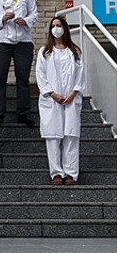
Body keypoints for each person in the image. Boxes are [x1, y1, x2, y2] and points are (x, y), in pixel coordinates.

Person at [37, 17, 86, 185]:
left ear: (65, 28)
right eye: (53, 26)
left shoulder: (75, 51)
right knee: (53, 137)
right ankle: (56, 172)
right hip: (52, 100)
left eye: (59, 25)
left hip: (71, 99)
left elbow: (80, 75)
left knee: (71, 136)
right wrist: (52, 93)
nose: (56, 28)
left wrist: (74, 92)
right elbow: (41, 75)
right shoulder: (45, 51)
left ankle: (71, 173)